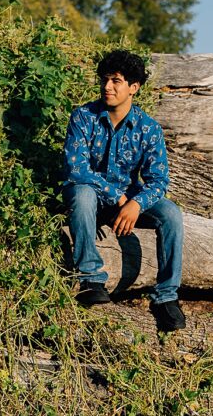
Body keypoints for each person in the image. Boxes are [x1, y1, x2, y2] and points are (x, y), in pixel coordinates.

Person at [62, 49, 186, 332]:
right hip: (90, 197)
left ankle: (166, 297)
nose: (107, 86)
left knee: (171, 214)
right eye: (105, 79)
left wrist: (136, 204)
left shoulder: (148, 128)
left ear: (134, 87)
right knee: (82, 193)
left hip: (129, 199)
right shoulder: (83, 117)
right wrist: (117, 197)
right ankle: (91, 279)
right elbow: (76, 169)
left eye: (116, 81)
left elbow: (158, 180)